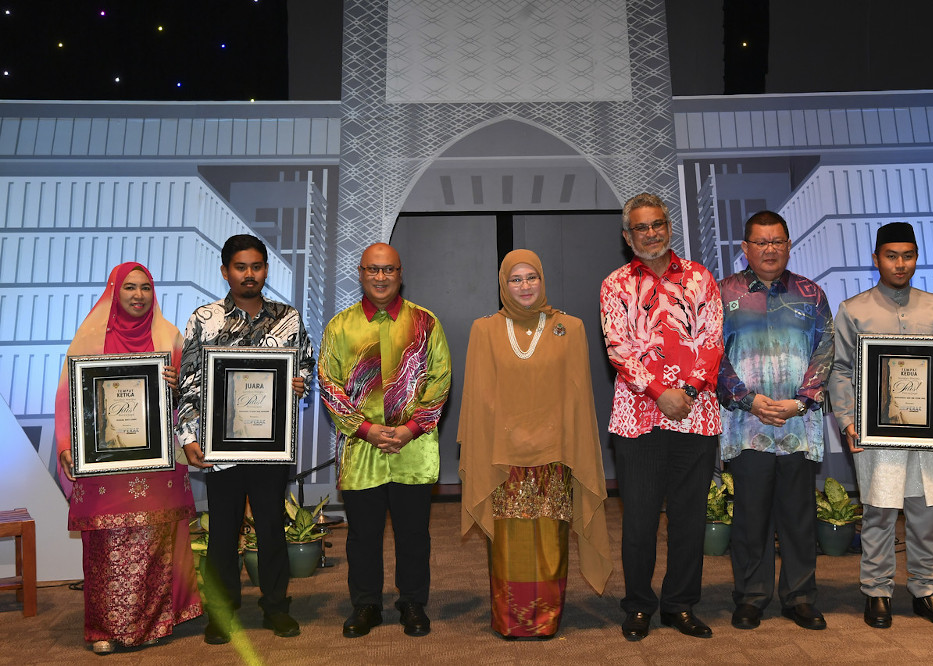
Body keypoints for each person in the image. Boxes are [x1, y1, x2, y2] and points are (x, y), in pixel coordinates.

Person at [458, 249, 613, 639]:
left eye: (532, 277)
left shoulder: (570, 328)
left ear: (542, 280)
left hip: (553, 455)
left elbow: (577, 397)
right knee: (508, 541)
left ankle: (545, 618)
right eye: (516, 279)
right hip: (503, 457)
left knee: (549, 538)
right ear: (503, 284)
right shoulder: (484, 330)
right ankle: (510, 619)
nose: (525, 286)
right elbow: (478, 398)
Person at [55, 262, 202, 654]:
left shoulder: (169, 337)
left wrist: (176, 386)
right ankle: (103, 628)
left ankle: (154, 623)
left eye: (146, 288)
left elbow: (191, 397)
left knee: (156, 539)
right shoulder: (88, 339)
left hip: (157, 462)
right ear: (114, 291)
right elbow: (68, 398)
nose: (139, 295)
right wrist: (66, 444)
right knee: (107, 542)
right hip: (105, 464)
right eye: (130, 288)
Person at [176, 234, 315, 644]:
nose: (249, 274)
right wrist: (187, 437)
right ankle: (223, 614)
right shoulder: (204, 319)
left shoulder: (288, 318)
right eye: (240, 267)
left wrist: (299, 382)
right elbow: (188, 382)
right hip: (220, 447)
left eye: (256, 266)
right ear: (225, 271)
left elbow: (304, 365)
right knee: (223, 530)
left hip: (270, 445)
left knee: (272, 527)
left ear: (265, 270)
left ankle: (276, 608)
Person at [599, 192, 724, 640]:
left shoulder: (700, 278)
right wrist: (659, 393)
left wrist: (685, 392)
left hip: (695, 414)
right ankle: (638, 606)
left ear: (669, 227)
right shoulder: (615, 284)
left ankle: (680, 605)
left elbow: (712, 342)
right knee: (640, 520)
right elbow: (619, 350)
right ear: (627, 236)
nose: (651, 233)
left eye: (657, 224)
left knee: (689, 519)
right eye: (641, 227)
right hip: (638, 418)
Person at [829, 221, 933, 630]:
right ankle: (877, 591)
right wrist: (848, 420)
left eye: (907, 255)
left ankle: (925, 589)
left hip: (926, 431)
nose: (900, 264)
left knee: (926, 513)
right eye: (891, 256)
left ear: (916, 258)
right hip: (876, 431)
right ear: (876, 259)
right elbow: (840, 369)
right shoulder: (854, 309)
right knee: (879, 513)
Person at [318, 242, 451, 639]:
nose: (380, 277)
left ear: (400, 273)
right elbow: (329, 385)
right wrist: (366, 429)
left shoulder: (425, 323)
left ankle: (412, 602)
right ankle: (366, 605)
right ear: (360, 274)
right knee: (363, 534)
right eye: (373, 270)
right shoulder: (340, 326)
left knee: (414, 534)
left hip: (414, 448)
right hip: (361, 449)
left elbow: (440, 381)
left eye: (388, 269)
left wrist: (409, 429)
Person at [716, 211, 834, 631]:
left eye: (777, 241)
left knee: (799, 516)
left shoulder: (811, 294)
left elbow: (826, 350)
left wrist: (800, 402)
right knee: (750, 516)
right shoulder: (722, 293)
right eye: (761, 242)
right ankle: (751, 596)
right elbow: (711, 355)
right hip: (746, 426)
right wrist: (748, 400)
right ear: (745, 249)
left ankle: (799, 597)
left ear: (788, 245)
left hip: (797, 425)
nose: (770, 249)